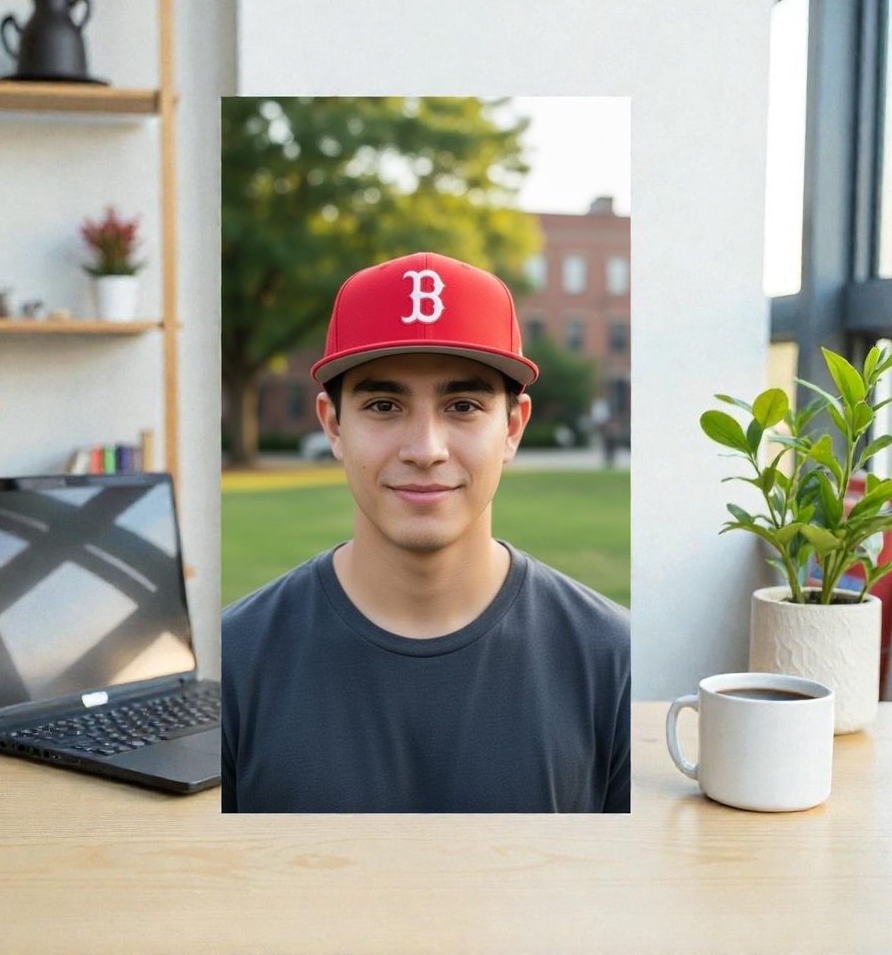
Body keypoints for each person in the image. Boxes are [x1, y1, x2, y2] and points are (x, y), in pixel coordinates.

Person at [221, 251, 630, 813]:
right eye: (384, 405)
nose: (425, 449)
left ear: (512, 428)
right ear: (334, 425)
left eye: (462, 405)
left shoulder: (613, 659)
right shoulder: (234, 663)